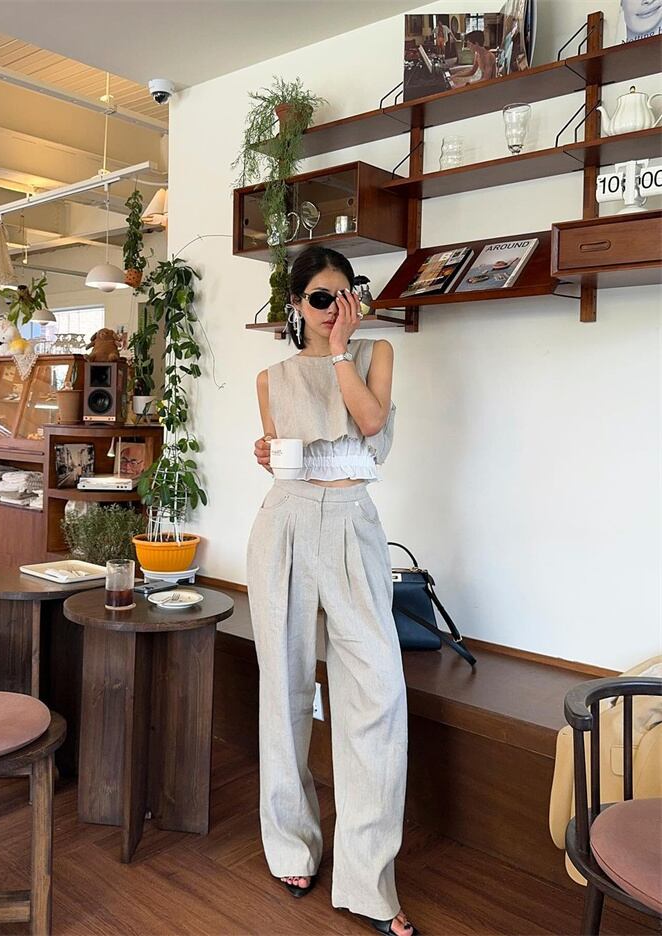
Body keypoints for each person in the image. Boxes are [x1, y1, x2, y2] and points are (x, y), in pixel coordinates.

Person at [248, 245, 417, 936]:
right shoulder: (271, 377)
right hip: (286, 522)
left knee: (377, 691)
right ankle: (291, 845)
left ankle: (367, 883)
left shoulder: (374, 353)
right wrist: (266, 453)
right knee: (284, 687)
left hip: (352, 523)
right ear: (296, 305)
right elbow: (284, 458)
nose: (334, 309)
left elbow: (371, 424)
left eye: (345, 295)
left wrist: (341, 348)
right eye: (321, 299)